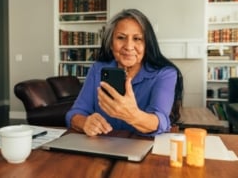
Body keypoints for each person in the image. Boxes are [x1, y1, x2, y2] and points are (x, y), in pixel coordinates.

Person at [65, 9, 183, 137]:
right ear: (111, 44)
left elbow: (160, 121)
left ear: (147, 45)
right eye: (121, 38)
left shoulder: (165, 74)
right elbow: (75, 113)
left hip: (143, 149)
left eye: (137, 39)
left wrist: (132, 115)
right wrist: (85, 122)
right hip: (101, 147)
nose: (128, 46)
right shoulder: (97, 69)